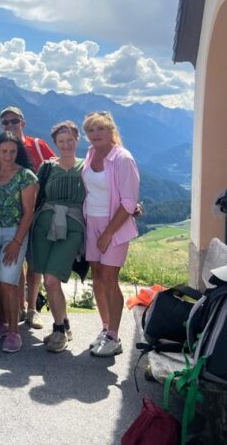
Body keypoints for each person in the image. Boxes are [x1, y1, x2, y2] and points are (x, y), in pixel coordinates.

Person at [81, 111, 140, 357]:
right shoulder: (91, 153)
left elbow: (128, 202)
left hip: (113, 224)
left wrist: (107, 233)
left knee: (109, 278)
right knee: (97, 277)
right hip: (91, 221)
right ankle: (106, 329)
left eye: (100, 129)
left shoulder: (123, 158)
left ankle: (114, 337)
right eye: (90, 131)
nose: (95, 134)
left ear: (111, 130)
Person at [0, 105, 56, 330]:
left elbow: (59, 167)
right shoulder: (2, 147)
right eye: (6, 123)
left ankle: (32, 309)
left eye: (14, 121)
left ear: (23, 122)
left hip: (38, 212)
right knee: (16, 262)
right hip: (11, 215)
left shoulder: (38, 146)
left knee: (35, 262)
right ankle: (21, 306)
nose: (10, 125)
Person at [31, 121, 86, 352]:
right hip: (44, 225)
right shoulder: (47, 167)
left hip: (72, 227)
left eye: (70, 140)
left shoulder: (88, 166)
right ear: (55, 143)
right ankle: (64, 323)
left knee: (52, 280)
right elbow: (34, 196)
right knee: (47, 280)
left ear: (77, 139)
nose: (66, 145)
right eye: (61, 141)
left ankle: (58, 331)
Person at [0, 132, 37, 353]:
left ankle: (14, 331)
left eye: (13, 151)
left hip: (14, 233)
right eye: (4, 151)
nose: (8, 155)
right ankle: (1, 322)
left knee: (9, 282)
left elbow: (28, 212)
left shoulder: (26, 176)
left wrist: (17, 242)